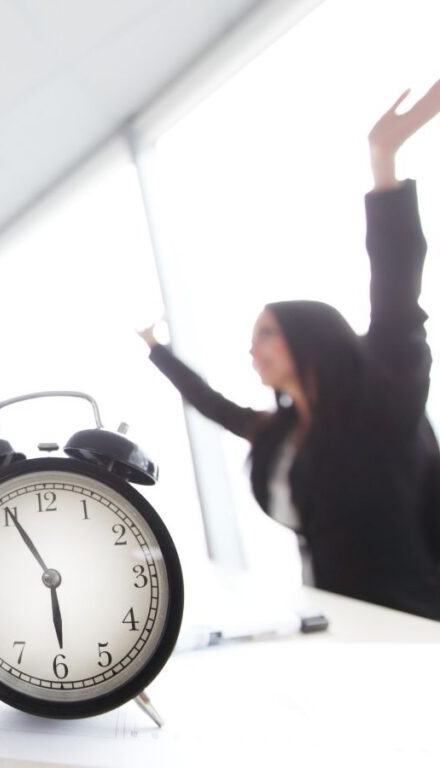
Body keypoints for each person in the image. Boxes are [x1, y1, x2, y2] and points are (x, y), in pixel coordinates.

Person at [138, 80, 440, 620]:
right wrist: (156, 349)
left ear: (309, 336)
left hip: (414, 620)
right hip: (338, 619)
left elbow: (395, 299)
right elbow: (210, 404)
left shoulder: (381, 402)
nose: (252, 350)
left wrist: (383, 162)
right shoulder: (280, 435)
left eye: (265, 334)